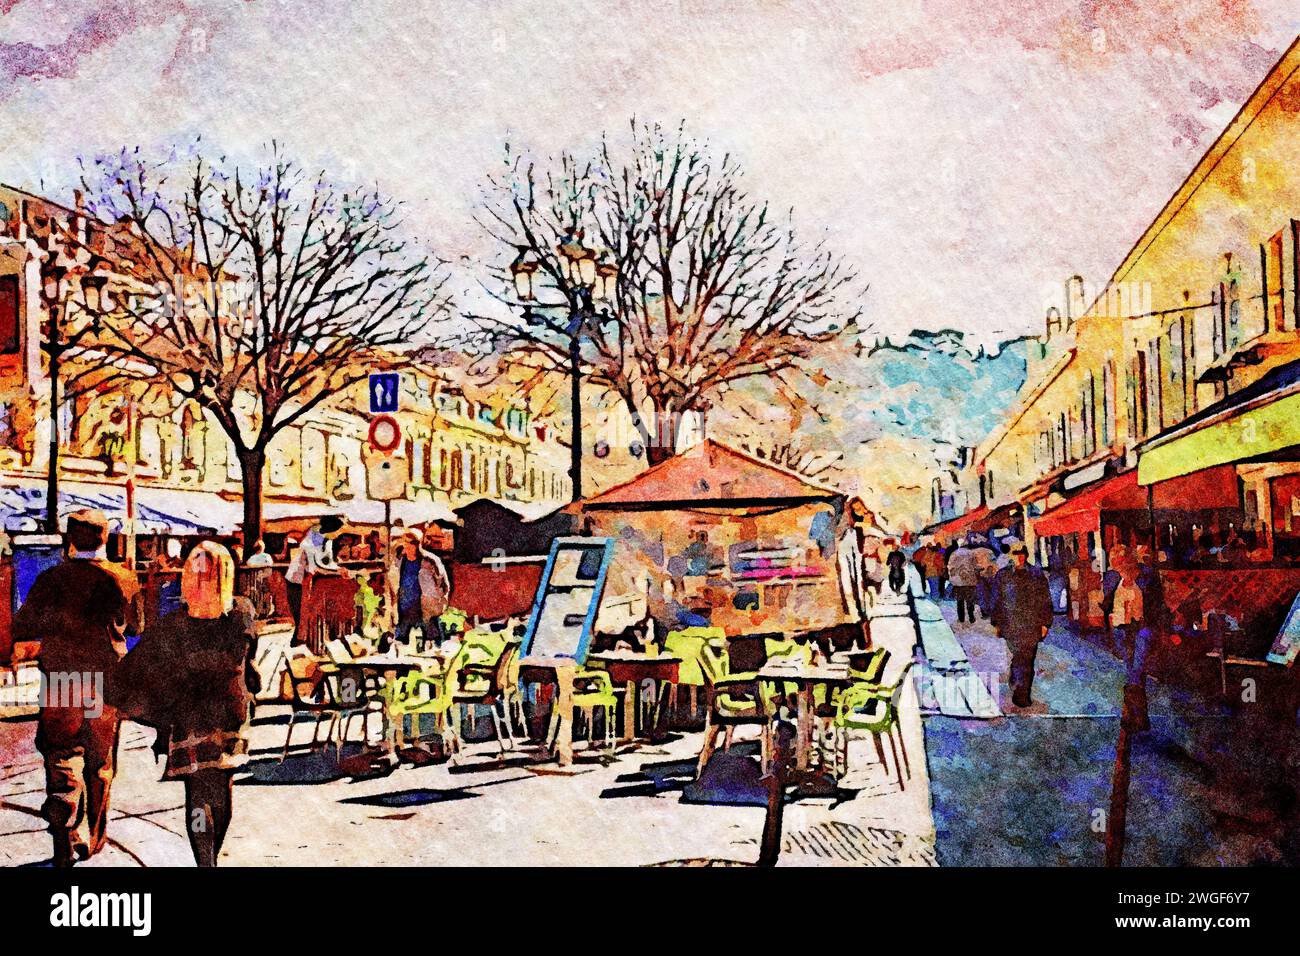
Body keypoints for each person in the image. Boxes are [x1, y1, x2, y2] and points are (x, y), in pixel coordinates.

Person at [114, 542, 259, 867]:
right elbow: (241, 658)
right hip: (222, 713)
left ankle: (206, 860)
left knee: (205, 795)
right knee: (215, 793)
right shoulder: (240, 613)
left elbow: (136, 670)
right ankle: (208, 859)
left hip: (194, 715)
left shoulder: (176, 624)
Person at [11, 510, 142, 866]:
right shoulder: (123, 578)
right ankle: (93, 837)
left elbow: (23, 624)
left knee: (61, 753)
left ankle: (64, 815)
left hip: (61, 679)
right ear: (105, 538)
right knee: (100, 760)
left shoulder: (51, 579)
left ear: (70, 539)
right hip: (106, 682)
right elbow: (135, 627)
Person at [991, 542, 1054, 708]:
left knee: (1026, 659)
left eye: (1022, 553)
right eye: (1015, 553)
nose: (1019, 556)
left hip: (1031, 624)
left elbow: (1045, 600)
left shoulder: (1036, 574)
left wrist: (1045, 623)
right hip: (1011, 624)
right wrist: (996, 623)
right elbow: (996, 601)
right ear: (1010, 555)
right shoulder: (1003, 576)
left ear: (1026, 555)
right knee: (1019, 657)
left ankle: (1022, 694)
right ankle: (1017, 680)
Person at [868, 550, 926, 684]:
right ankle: (916, 648)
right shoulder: (900, 565)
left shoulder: (903, 568)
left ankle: (915, 648)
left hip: (905, 600)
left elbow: (904, 583)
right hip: (903, 601)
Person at [284, 515, 344, 630]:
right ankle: (299, 635)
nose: (338, 534)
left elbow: (327, 562)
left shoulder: (328, 541)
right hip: (296, 578)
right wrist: (332, 571)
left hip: (308, 578)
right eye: (337, 531)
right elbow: (314, 565)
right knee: (299, 610)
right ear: (331, 530)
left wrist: (338, 569)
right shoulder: (311, 540)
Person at [417, 525, 453, 645]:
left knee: (435, 633)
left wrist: (442, 599)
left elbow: (443, 582)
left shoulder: (432, 560)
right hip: (424, 602)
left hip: (434, 602)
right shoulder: (423, 560)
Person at [946, 537, 981, 624]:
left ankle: (961, 618)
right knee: (970, 600)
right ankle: (971, 617)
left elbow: (950, 567)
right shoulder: (971, 554)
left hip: (958, 582)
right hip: (970, 581)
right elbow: (976, 566)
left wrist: (953, 578)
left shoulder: (954, 554)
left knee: (960, 601)